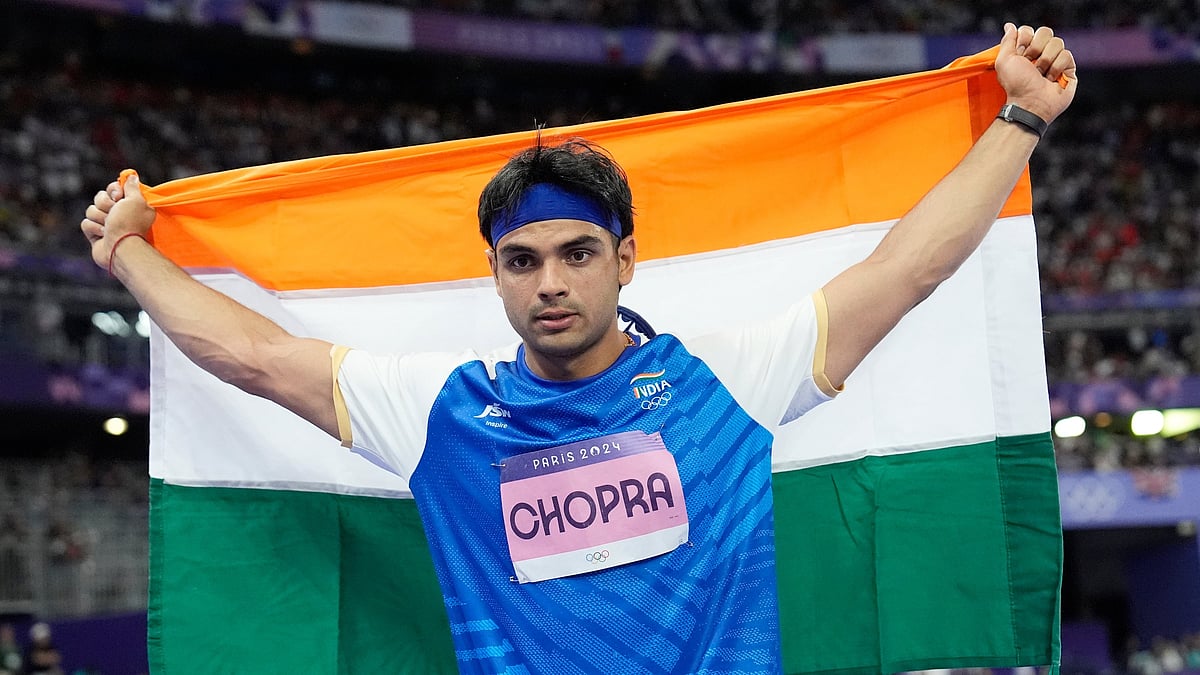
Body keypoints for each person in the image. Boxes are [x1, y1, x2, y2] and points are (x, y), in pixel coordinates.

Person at [81, 23, 1076, 675]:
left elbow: (905, 269)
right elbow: (253, 354)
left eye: (575, 253)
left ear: (625, 261)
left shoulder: (724, 382)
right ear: (497, 275)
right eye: (521, 261)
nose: (549, 282)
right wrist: (128, 252)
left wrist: (1022, 118)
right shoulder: (441, 412)